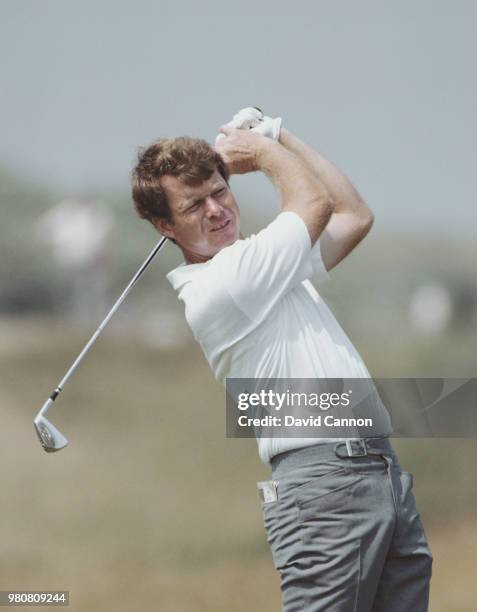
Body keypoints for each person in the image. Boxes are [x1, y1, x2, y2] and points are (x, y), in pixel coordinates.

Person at [131, 108, 433, 611]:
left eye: (219, 191)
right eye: (194, 205)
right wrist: (265, 153)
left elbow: (353, 216)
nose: (216, 210)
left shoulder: (266, 266)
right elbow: (312, 201)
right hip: (324, 489)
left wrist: (278, 136)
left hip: (379, 472)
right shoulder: (224, 285)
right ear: (165, 225)